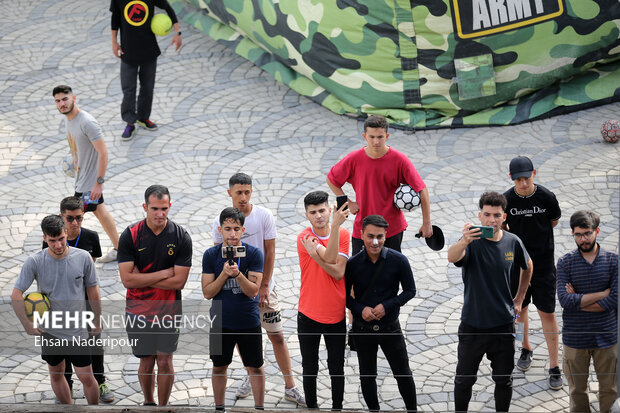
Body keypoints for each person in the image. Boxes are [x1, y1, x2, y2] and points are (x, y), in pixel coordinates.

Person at [211, 173, 305, 406]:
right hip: (236, 290)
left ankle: (290, 385)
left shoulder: (263, 215)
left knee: (277, 335)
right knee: (245, 337)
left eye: (247, 192)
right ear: (229, 193)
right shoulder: (220, 221)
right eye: (238, 192)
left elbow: (270, 252)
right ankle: (250, 374)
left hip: (263, 287)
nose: (243, 197)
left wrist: (264, 286)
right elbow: (217, 255)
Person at [447, 192, 533, 413]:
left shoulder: (513, 242)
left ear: (504, 216)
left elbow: (528, 265)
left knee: (504, 380)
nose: (491, 220)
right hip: (472, 325)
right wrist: (464, 240)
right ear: (480, 215)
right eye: (487, 215)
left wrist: (520, 298)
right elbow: (452, 257)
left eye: (496, 215)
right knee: (464, 381)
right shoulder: (472, 242)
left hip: (503, 326)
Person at [11, 215, 101, 405]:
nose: (58, 245)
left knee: (86, 377)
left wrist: (97, 319)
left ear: (66, 233)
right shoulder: (35, 261)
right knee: (57, 374)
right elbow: (16, 294)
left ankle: (94, 410)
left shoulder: (83, 257)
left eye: (61, 238)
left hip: (77, 330)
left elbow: (93, 291)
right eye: (52, 240)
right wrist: (27, 324)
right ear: (45, 238)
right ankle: (68, 409)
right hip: (50, 331)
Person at [117, 185, 192, 406]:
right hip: (138, 312)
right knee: (146, 362)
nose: (160, 214)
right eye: (155, 208)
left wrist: (143, 277)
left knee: (166, 361)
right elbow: (127, 280)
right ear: (145, 207)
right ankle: (148, 404)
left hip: (169, 311)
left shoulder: (180, 236)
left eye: (164, 208)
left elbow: (179, 281)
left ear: (170, 207)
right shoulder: (131, 235)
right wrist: (162, 274)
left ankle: (162, 407)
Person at [42, 196, 115, 403]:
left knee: (94, 345)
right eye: (70, 218)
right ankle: (68, 385)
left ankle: (100, 382)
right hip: (62, 307)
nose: (75, 223)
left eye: (79, 218)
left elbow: (89, 277)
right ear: (61, 216)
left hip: (85, 304)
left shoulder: (91, 237)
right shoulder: (50, 239)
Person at [326, 114, 432, 255]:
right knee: (361, 272)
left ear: (387, 136)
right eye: (372, 137)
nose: (376, 141)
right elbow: (331, 179)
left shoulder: (400, 160)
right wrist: (348, 202)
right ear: (364, 136)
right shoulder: (353, 159)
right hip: (363, 228)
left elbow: (422, 189)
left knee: (391, 273)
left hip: (391, 228)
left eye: (380, 137)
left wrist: (426, 223)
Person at [345, 215, 417, 412]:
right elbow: (343, 296)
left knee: (402, 373)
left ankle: (413, 410)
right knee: (367, 375)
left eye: (379, 236)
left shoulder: (399, 260)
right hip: (363, 329)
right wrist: (360, 309)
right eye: (370, 236)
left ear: (386, 236)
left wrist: (388, 305)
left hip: (390, 327)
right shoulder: (352, 264)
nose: (374, 241)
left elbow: (410, 290)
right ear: (361, 235)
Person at [503, 155, 562, 389]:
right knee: (520, 310)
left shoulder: (547, 197)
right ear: (511, 178)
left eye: (527, 178)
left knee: (547, 313)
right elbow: (504, 226)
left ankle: (554, 365)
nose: (524, 183)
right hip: (518, 266)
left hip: (544, 264)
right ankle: (525, 347)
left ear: (534, 174)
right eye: (519, 180)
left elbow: (554, 221)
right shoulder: (507, 199)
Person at [202, 207, 265, 411]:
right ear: (220, 230)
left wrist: (238, 275)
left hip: (248, 321)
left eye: (236, 229)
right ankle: (219, 407)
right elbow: (207, 292)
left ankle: (259, 408)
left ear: (243, 230)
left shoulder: (254, 253)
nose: (232, 234)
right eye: (227, 229)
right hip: (220, 321)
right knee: (219, 366)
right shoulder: (211, 255)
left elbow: (254, 291)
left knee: (255, 367)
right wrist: (223, 274)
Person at [557, 210, 618, 413]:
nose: (583, 239)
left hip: (607, 337)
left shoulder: (614, 262)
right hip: (575, 338)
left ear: (597, 231)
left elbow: (615, 300)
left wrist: (579, 300)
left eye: (587, 233)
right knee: (577, 391)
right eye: (578, 235)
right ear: (573, 234)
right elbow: (565, 300)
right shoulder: (565, 263)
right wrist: (603, 293)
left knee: (610, 389)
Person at [53, 85, 120, 263]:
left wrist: (98, 183)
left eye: (65, 99)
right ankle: (119, 248)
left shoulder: (87, 122)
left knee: (70, 215)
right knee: (99, 211)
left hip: (89, 184)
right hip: (81, 179)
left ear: (73, 98)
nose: (62, 103)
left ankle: (65, 252)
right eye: (58, 101)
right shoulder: (69, 120)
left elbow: (103, 152)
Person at [297, 190, 349, 410]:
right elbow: (330, 259)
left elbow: (338, 273)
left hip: (335, 313)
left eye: (321, 210)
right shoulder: (304, 237)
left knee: (336, 366)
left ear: (330, 210)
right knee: (310, 366)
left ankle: (337, 408)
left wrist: (315, 255)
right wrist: (321, 256)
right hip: (308, 313)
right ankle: (312, 407)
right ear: (307, 215)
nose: (318, 215)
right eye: (313, 212)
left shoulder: (344, 235)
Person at [110, 0, 182, 139]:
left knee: (147, 88)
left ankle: (143, 118)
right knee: (128, 90)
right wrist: (114, 42)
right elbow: (115, 18)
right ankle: (130, 123)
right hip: (128, 51)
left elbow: (167, 7)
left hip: (149, 50)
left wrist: (177, 32)